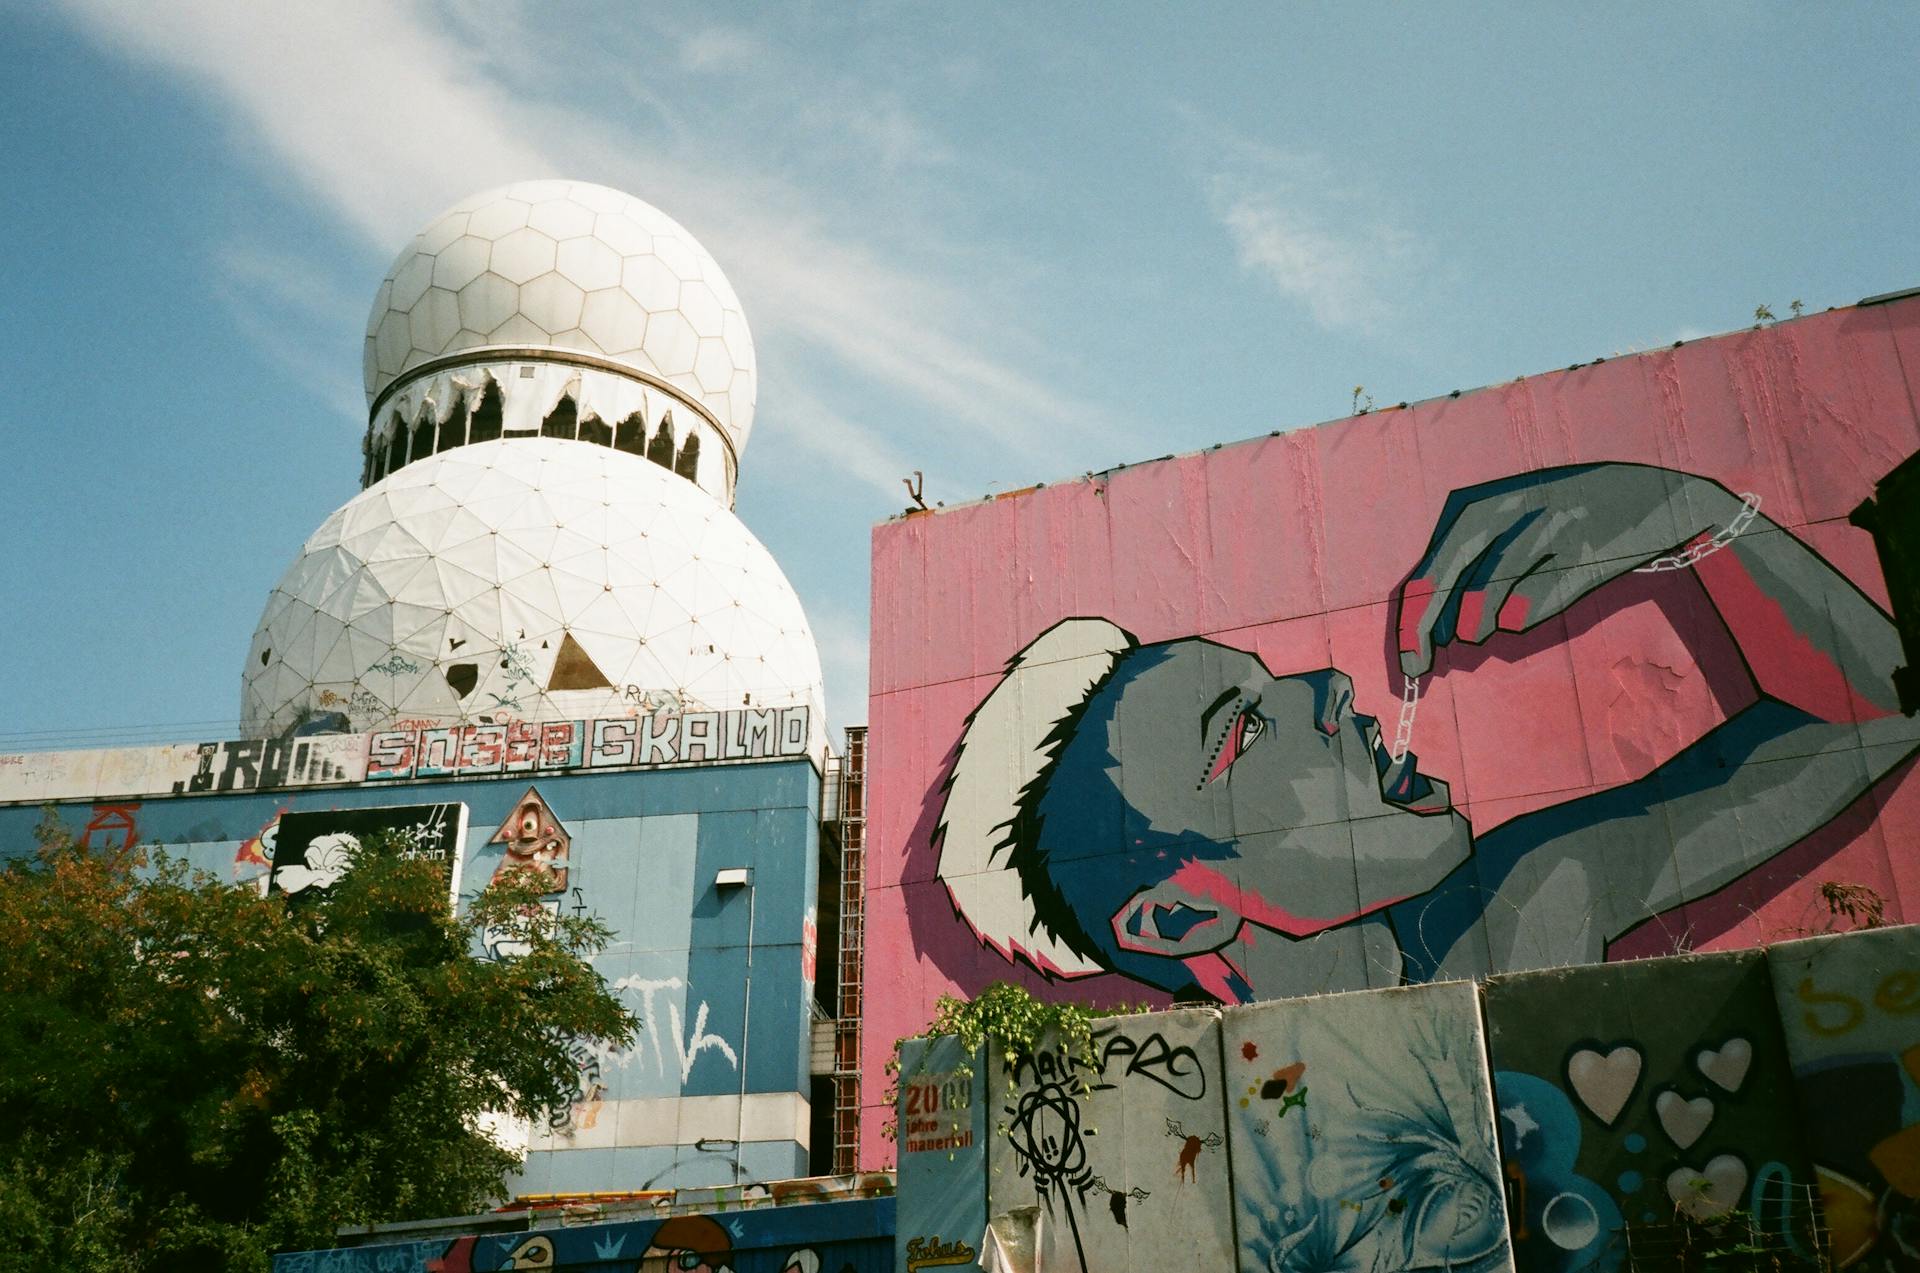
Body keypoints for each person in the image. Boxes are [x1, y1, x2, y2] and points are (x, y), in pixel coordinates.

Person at [935, 462, 1920, 1002]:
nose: (1327, 682)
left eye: (1278, 678)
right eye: (1243, 728)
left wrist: (1689, 517)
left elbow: (1869, 716)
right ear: (1182, 916)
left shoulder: (1511, 923)